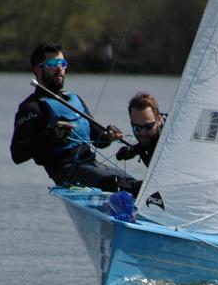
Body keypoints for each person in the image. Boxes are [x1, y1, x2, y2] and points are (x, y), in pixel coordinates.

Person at [11, 42, 140, 195]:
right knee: (122, 186)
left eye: (63, 63)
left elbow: (98, 138)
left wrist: (109, 135)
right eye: (53, 64)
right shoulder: (32, 108)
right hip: (66, 172)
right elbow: (17, 155)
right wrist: (51, 135)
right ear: (37, 69)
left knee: (140, 187)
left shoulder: (74, 100)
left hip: (93, 167)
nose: (60, 68)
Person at [115, 92, 164, 167]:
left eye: (148, 126)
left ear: (159, 120)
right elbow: (141, 147)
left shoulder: (171, 139)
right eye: (136, 127)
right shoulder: (147, 141)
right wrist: (129, 152)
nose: (142, 133)